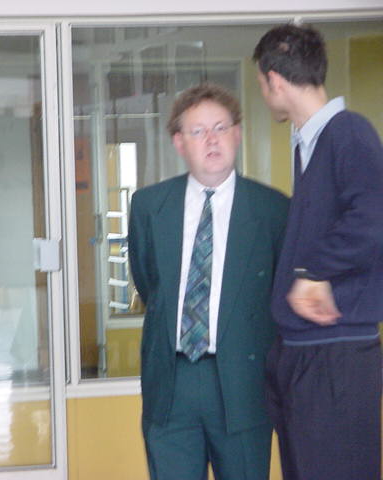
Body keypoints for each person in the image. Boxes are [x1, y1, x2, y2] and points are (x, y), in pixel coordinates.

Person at [128, 83, 289, 480]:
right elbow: (150, 285)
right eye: (198, 131)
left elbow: (279, 295)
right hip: (172, 383)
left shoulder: (274, 209)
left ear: (238, 134)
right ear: (179, 142)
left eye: (220, 127)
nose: (212, 139)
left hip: (243, 384)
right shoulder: (149, 205)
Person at [254, 23, 383, 480]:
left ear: (274, 80)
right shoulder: (310, 143)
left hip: (336, 356)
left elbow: (374, 216)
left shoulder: (348, 132)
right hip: (304, 353)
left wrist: (313, 272)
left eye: (261, 84)